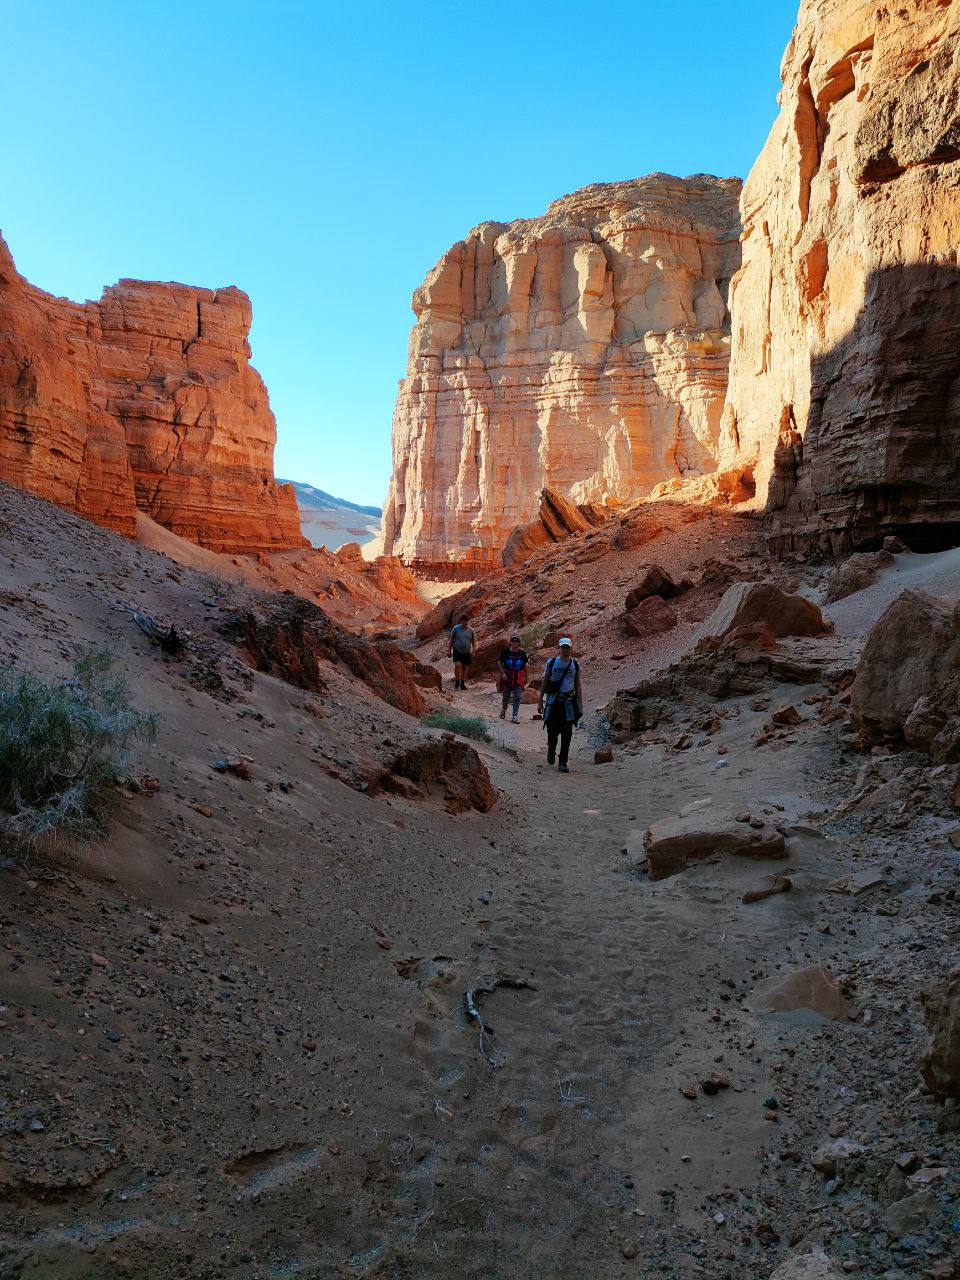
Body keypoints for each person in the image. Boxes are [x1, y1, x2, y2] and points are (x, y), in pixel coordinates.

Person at [537, 638, 583, 773]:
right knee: (552, 731)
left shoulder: (575, 665)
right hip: (553, 702)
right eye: (563, 647)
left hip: (568, 703)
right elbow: (545, 681)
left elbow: (578, 684)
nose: (565, 649)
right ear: (559, 648)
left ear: (571, 649)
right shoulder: (551, 663)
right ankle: (551, 749)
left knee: (567, 733)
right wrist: (540, 700)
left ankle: (563, 761)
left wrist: (580, 702)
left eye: (567, 647)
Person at [497, 635, 528, 723]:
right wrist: (503, 673)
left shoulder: (522, 653)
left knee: (517, 696)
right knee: (506, 696)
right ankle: (503, 709)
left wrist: (526, 677)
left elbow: (525, 665)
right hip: (508, 676)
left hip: (518, 676)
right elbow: (499, 662)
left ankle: (515, 716)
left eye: (516, 641)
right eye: (513, 641)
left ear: (519, 643)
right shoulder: (506, 652)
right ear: (510, 642)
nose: (515, 643)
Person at [449, 613, 475, 690]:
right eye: (464, 621)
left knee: (464, 668)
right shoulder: (456, 629)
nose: (465, 623)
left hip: (466, 652)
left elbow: (474, 641)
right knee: (458, 666)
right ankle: (457, 682)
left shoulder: (471, 630)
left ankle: (462, 684)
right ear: (461, 621)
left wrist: (474, 650)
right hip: (457, 651)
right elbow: (451, 640)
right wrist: (448, 650)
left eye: (467, 621)